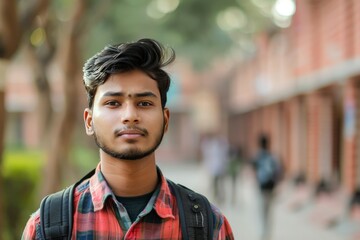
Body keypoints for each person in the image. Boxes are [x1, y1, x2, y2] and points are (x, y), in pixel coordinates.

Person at [22, 39, 234, 239]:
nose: (130, 115)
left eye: (144, 103)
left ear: (166, 120)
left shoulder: (207, 224)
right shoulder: (46, 227)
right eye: (113, 103)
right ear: (89, 121)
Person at [252, 134, 281, 240]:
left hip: (262, 186)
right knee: (269, 211)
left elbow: (254, 170)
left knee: (262, 211)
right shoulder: (272, 156)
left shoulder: (258, 156)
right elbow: (278, 171)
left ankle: (264, 232)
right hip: (271, 186)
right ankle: (268, 232)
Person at [201, 132, 229, 205]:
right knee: (215, 184)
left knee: (220, 184)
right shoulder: (213, 147)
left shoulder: (221, 149)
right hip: (215, 169)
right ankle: (217, 196)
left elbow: (224, 159)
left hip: (220, 169)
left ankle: (221, 197)